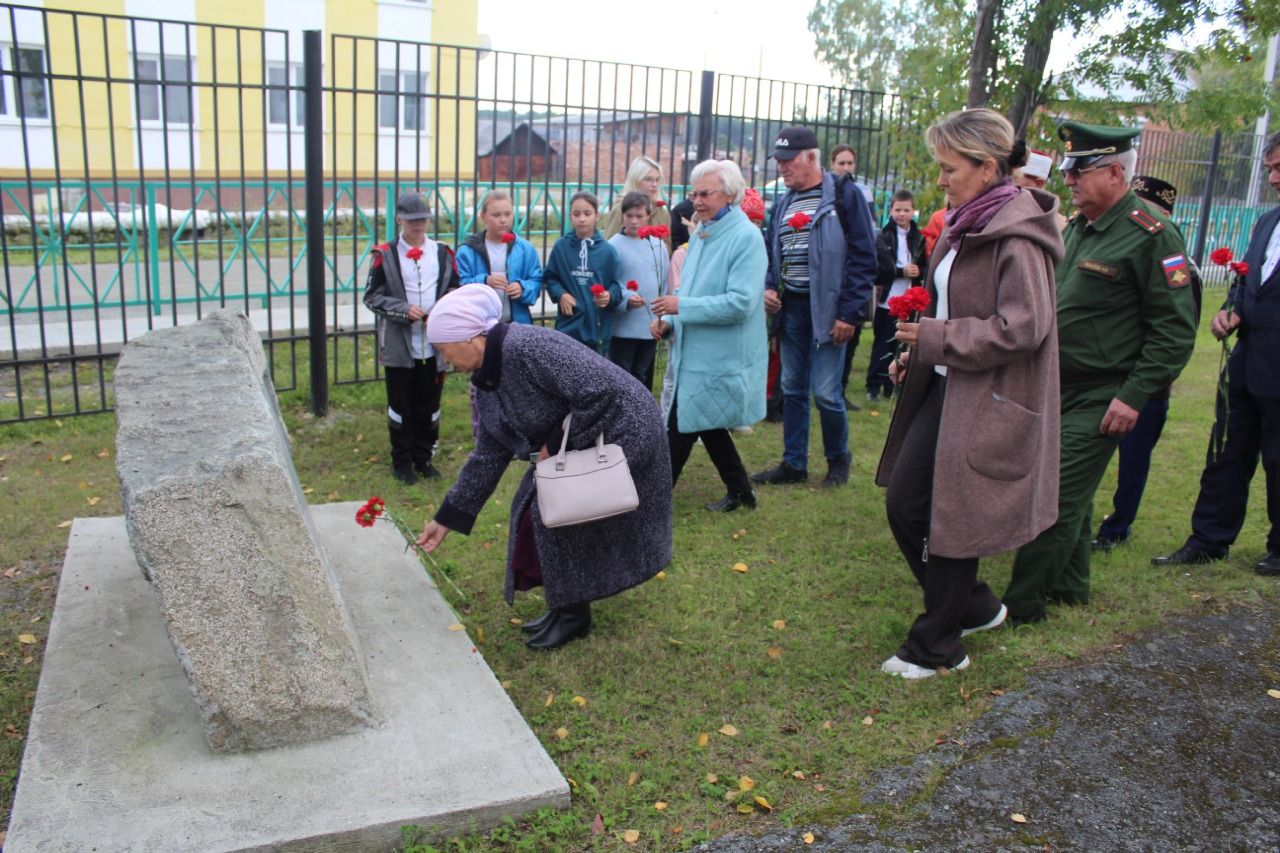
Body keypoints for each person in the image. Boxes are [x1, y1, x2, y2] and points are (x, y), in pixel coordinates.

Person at [875, 108, 1064, 679]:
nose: (940, 179)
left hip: (989, 398)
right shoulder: (967, 221)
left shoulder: (1018, 234)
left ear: (986, 167)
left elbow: (1023, 326)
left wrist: (938, 337)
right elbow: (957, 303)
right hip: (946, 387)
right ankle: (975, 605)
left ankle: (938, 645)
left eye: (948, 167)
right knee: (907, 505)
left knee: (954, 517)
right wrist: (921, 348)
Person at [1003, 121, 1198, 625]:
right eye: (1067, 168)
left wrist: (1133, 396)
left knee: (1056, 495)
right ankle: (1071, 586)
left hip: (1104, 391)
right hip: (1058, 384)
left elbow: (1174, 331)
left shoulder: (1152, 234)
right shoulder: (1080, 227)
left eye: (1080, 169)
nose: (1068, 178)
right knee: (1074, 490)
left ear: (1115, 173)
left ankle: (1022, 606)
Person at [416, 287, 673, 650]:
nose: (445, 361)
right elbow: (488, 455)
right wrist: (445, 519)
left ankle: (572, 613)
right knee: (546, 512)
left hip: (623, 428)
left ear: (470, 337)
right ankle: (567, 606)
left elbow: (598, 390)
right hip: (586, 433)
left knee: (559, 513)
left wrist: (552, 446)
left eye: (444, 350)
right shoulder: (487, 380)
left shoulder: (528, 346)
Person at [1152, 132, 1280, 576]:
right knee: (1226, 452)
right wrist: (1230, 312)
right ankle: (1209, 538)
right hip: (1245, 365)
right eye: (1269, 170)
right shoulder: (1266, 223)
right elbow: (1247, 283)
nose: (1273, 178)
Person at [753, 126, 877, 489]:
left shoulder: (843, 194)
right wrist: (771, 286)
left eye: (788, 161)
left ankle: (838, 462)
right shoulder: (784, 203)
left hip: (829, 309)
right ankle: (794, 464)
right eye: (779, 162)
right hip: (790, 309)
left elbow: (863, 256)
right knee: (791, 387)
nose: (782, 168)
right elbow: (773, 253)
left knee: (825, 391)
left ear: (811, 157)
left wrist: (849, 312)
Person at [1092, 176, 1202, 551]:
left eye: (1146, 208)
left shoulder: (1179, 264)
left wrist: (1150, 385)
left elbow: (1178, 330)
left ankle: (1117, 527)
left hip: (1146, 386)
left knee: (1133, 462)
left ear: (1165, 213)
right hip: (1105, 376)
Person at [651, 159, 767, 513]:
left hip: (720, 354)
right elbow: (693, 292)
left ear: (730, 194)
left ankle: (652, 501)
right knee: (705, 420)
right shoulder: (703, 231)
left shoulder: (746, 237)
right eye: (694, 193)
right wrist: (671, 321)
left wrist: (680, 306)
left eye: (706, 193)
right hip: (696, 351)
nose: (697, 201)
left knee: (683, 425)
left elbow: (741, 303)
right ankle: (742, 492)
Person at [363, 192, 460, 485]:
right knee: (400, 405)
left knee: (428, 405)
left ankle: (424, 457)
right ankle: (402, 460)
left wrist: (440, 311)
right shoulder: (385, 255)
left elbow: (454, 291)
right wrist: (403, 310)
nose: (418, 225)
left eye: (422, 220)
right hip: (399, 346)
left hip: (434, 344)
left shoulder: (443, 253)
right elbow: (371, 297)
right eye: (411, 220)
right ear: (399, 220)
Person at [543, 191, 621, 354]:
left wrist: (609, 296)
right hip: (569, 326)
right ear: (570, 216)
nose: (582, 219)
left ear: (597, 216)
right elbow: (550, 278)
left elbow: (617, 285)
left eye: (587, 213)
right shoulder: (561, 248)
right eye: (576, 214)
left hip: (596, 327)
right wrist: (561, 294)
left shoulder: (607, 251)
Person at [868, 189, 926, 402]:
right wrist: (901, 272)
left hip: (909, 299)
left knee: (901, 344)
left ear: (913, 211)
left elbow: (923, 264)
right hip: (888, 300)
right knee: (883, 342)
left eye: (906, 210)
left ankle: (892, 384)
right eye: (898, 210)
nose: (902, 214)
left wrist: (918, 271)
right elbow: (880, 268)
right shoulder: (884, 236)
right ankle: (873, 384)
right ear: (891, 211)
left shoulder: (919, 237)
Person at [455, 189, 543, 324]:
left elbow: (536, 281)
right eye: (496, 215)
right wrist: (484, 282)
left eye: (508, 214)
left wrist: (522, 288)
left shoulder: (526, 249)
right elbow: (459, 288)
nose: (503, 220)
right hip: (479, 327)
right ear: (483, 216)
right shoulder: (467, 251)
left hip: (517, 325)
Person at [608, 191, 669, 385]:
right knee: (622, 376)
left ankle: (643, 413)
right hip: (623, 325)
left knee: (642, 374)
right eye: (629, 216)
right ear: (622, 216)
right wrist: (626, 297)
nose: (634, 221)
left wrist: (663, 316)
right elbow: (611, 281)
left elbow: (664, 283)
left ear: (648, 216)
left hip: (649, 324)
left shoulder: (658, 246)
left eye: (639, 216)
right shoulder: (613, 245)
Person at [831, 143, 871, 410]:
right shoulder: (831, 192)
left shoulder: (861, 193)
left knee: (850, 338)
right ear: (832, 164)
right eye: (841, 163)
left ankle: (839, 389)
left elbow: (865, 239)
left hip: (853, 281)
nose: (846, 168)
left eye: (850, 163)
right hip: (832, 281)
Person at [603, 156, 672, 249]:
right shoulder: (620, 208)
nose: (654, 185)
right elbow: (609, 245)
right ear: (635, 180)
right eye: (648, 179)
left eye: (657, 180)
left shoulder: (661, 211)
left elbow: (667, 246)